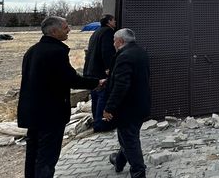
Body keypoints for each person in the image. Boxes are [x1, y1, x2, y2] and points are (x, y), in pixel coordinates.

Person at [17, 16, 104, 178]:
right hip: (50, 114)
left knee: (33, 155)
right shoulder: (56, 52)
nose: (69, 29)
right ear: (54, 31)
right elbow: (70, 79)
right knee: (47, 158)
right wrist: (95, 83)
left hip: (32, 113)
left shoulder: (32, 50)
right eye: (65, 27)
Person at [103, 28, 150, 178]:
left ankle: (138, 171)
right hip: (141, 104)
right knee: (128, 136)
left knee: (129, 139)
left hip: (128, 107)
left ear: (121, 41)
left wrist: (109, 107)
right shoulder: (140, 52)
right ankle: (119, 161)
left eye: (114, 41)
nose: (113, 44)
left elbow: (122, 85)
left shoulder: (124, 56)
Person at [83, 14, 117, 132]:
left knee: (95, 96)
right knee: (103, 96)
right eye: (113, 20)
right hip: (100, 71)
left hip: (90, 70)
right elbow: (106, 50)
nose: (115, 22)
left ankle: (96, 120)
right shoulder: (108, 32)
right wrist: (108, 67)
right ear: (108, 22)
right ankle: (100, 123)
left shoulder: (96, 33)